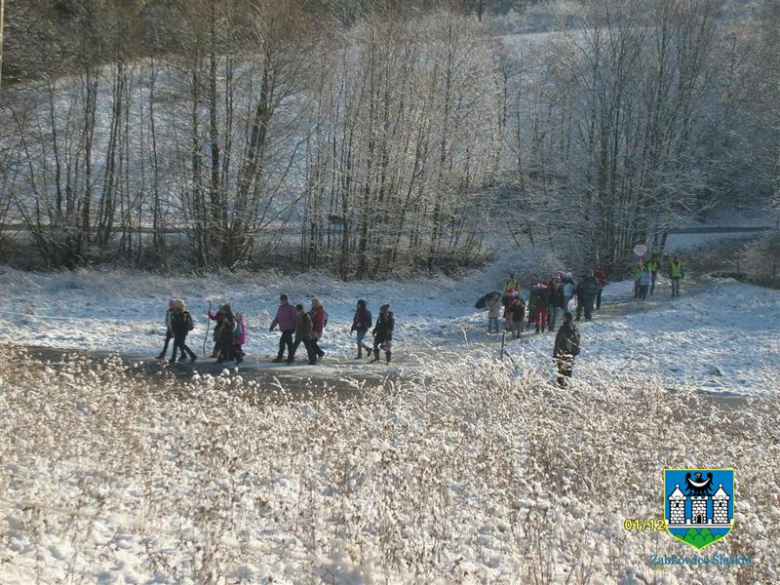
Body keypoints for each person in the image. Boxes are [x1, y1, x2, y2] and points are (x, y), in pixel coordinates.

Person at [553, 312, 580, 387]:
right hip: (572, 353)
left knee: (561, 371)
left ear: (566, 318)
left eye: (563, 317)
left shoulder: (563, 328)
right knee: (568, 370)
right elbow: (577, 341)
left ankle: (561, 387)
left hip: (562, 353)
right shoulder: (575, 328)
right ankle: (568, 386)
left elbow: (557, 341)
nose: (562, 318)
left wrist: (555, 353)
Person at [270, 294, 298, 363]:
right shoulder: (280, 308)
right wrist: (272, 326)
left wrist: (297, 326)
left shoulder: (291, 307)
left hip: (290, 328)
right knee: (289, 343)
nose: (281, 301)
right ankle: (291, 357)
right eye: (281, 300)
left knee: (282, 342)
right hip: (284, 328)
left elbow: (295, 317)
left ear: (286, 300)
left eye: (283, 300)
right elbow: (277, 318)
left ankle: (280, 357)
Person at [170, 299, 197, 364]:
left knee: (180, 344)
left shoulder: (184, 313)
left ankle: (192, 355)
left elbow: (182, 322)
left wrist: (175, 316)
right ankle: (190, 355)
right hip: (178, 331)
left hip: (181, 331)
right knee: (178, 344)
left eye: (176, 304)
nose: (174, 306)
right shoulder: (177, 312)